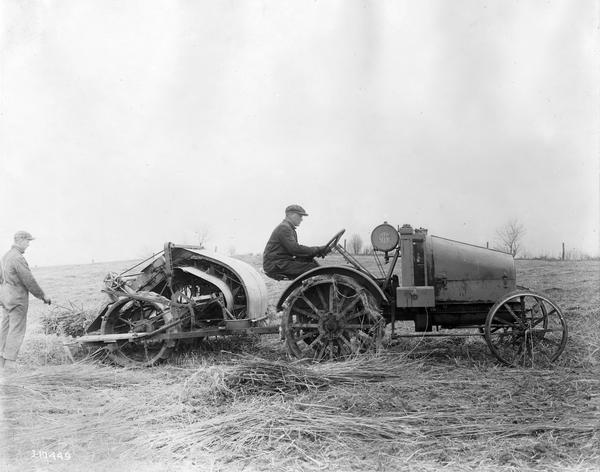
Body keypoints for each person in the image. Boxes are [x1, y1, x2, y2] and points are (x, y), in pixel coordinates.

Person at [0, 231, 51, 370]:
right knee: (16, 330)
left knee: (5, 329)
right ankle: (10, 364)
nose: (28, 245)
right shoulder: (17, 258)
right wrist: (43, 296)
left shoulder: (5, 256)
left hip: (5, 299)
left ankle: (2, 362)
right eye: (28, 241)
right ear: (21, 240)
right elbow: (28, 280)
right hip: (17, 300)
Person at [263, 204, 326, 280]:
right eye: (300, 216)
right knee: (313, 268)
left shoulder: (288, 228)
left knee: (311, 261)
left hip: (280, 262)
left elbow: (295, 250)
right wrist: (318, 249)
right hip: (276, 264)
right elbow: (295, 250)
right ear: (291, 215)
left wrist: (317, 252)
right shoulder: (284, 228)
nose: (301, 219)